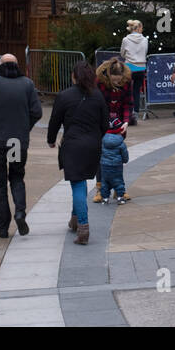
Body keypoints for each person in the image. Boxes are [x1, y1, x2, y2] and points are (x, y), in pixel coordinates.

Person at [0, 53, 42, 238]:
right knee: (17, 177)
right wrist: (24, 128)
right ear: (17, 65)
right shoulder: (27, 84)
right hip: (17, 141)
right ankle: (20, 212)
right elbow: (36, 112)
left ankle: (2, 225)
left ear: (0, 65)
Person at [47, 60, 108, 246]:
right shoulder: (98, 96)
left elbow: (55, 121)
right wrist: (96, 137)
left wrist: (51, 139)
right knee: (80, 180)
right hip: (92, 145)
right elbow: (104, 124)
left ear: (73, 77)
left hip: (72, 144)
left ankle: (83, 226)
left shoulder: (64, 96)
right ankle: (75, 219)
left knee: (78, 185)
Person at [120, 19, 148, 126]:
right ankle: (135, 113)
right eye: (141, 27)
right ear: (138, 28)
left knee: (127, 90)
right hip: (141, 67)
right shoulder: (144, 40)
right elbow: (145, 52)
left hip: (129, 67)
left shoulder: (126, 39)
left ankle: (127, 113)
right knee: (137, 91)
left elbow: (122, 53)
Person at [99, 119, 130, 206]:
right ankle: (120, 197)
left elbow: (100, 152)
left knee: (104, 182)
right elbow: (125, 156)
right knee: (118, 181)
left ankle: (105, 198)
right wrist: (125, 160)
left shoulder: (103, 141)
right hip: (116, 166)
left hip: (104, 166)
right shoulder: (121, 143)